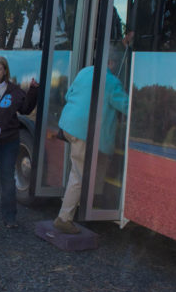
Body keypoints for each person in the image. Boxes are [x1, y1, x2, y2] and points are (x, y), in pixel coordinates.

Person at [53, 46, 129, 234]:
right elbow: (126, 106)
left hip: (70, 126)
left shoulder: (85, 71)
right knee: (79, 174)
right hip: (86, 132)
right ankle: (64, 218)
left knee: (98, 164)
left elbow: (69, 95)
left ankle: (91, 208)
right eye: (115, 63)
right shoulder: (112, 82)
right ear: (111, 63)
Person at [0, 56, 39, 228]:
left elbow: (26, 109)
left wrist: (33, 91)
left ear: (5, 71)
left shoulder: (14, 90)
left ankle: (9, 217)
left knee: (8, 180)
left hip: (8, 142)